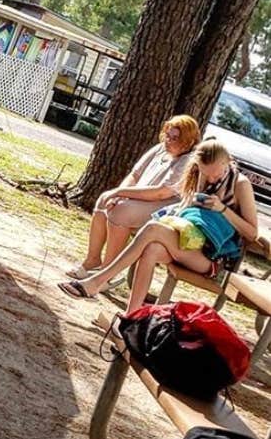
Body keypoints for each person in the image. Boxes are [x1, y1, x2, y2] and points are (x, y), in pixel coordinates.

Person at [58, 138, 258, 312]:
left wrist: (222, 209)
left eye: (216, 174)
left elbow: (252, 233)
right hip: (187, 240)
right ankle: (131, 316)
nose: (211, 178)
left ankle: (97, 281)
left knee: (153, 228)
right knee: (152, 249)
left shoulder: (240, 184)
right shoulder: (199, 174)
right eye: (207, 174)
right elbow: (185, 209)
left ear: (228, 161)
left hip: (212, 257)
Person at [66, 114, 201, 281]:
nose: (169, 140)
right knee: (104, 200)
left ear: (188, 141)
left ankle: (107, 272)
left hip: (162, 207)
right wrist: (118, 193)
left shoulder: (188, 161)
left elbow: (161, 192)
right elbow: (135, 175)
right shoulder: (160, 149)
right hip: (139, 198)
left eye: (175, 138)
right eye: (168, 135)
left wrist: (120, 193)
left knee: (121, 212)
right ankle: (92, 260)